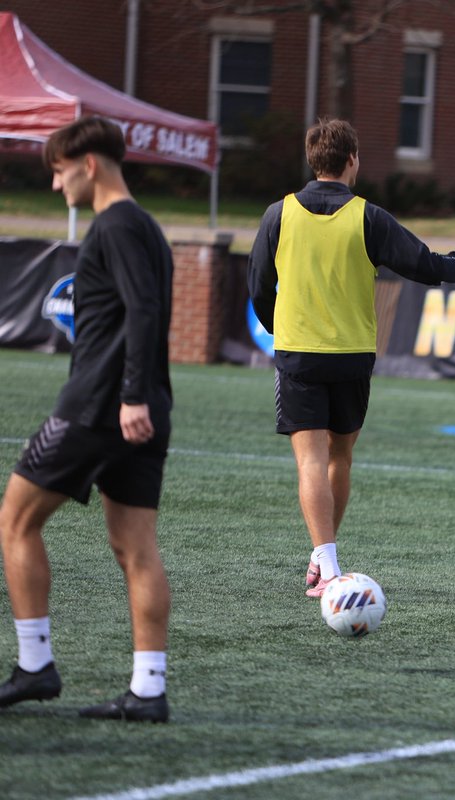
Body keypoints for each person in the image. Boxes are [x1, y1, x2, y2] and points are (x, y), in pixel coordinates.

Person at [248, 118, 455, 598]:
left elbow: (258, 285)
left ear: (313, 159)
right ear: (353, 160)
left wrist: (274, 326)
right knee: (340, 457)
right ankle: (322, 556)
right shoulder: (368, 216)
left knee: (309, 461)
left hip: (300, 353)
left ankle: (326, 564)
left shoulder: (278, 214)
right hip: (352, 355)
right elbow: (422, 264)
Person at [0, 116, 175, 723]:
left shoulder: (117, 224)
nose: (56, 185)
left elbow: (144, 310)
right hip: (144, 406)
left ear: (89, 164)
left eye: (58, 170)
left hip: (101, 406)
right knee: (135, 548)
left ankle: (33, 665)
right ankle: (148, 691)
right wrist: (143, 398)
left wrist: (128, 396)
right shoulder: (147, 227)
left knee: (15, 519)